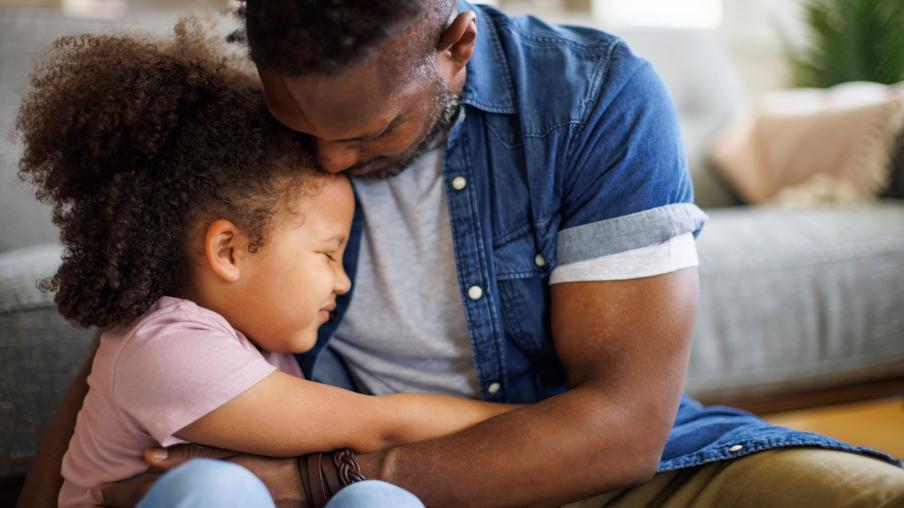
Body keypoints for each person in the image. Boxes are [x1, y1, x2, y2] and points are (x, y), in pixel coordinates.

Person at [18, 1, 904, 507]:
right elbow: (140, 334)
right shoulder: (245, 121)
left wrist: (310, 478)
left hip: (578, 473)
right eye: (301, 128)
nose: (327, 160)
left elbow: (623, 432)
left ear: (455, 46)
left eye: (370, 131)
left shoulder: (596, 98)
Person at [14, 20, 518, 508]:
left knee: (377, 497)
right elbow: (382, 424)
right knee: (222, 491)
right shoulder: (164, 350)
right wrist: (534, 422)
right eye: (328, 252)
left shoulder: (256, 347)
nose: (343, 281)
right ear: (229, 251)